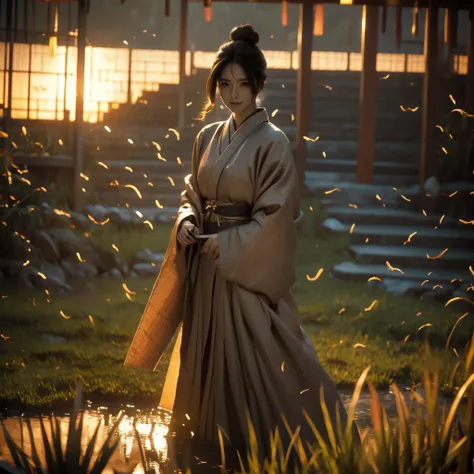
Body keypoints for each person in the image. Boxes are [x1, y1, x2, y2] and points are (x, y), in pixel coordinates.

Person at [125, 24, 360, 470]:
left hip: (241, 267)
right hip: (206, 269)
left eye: (242, 85)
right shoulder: (207, 137)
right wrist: (189, 220)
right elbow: (192, 192)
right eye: (225, 85)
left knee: (263, 359)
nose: (233, 95)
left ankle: (275, 440)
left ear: (259, 86)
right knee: (204, 349)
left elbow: (276, 217)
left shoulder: (273, 144)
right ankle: (208, 437)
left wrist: (228, 243)